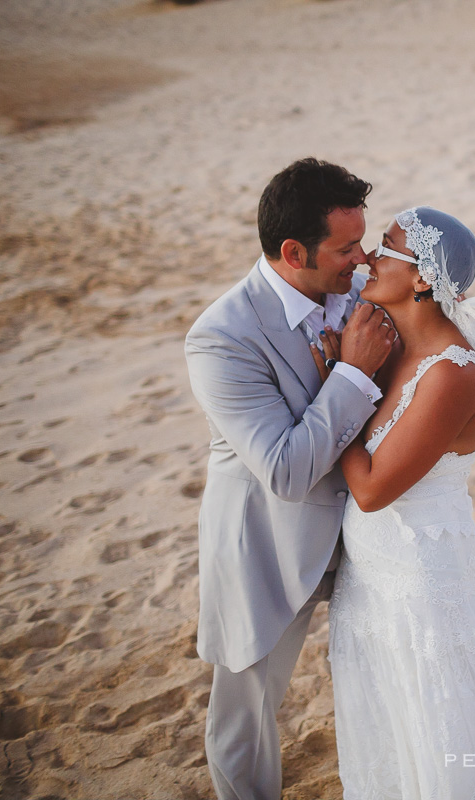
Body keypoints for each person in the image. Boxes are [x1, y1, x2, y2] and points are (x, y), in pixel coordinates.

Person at [313, 207, 475, 799]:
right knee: (392, 720)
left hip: (422, 581)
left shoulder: (451, 372)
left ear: (422, 277)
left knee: (440, 719)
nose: (368, 257)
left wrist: (340, 384)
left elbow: (371, 490)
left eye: (387, 247)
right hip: (372, 572)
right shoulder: (389, 347)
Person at [184, 158, 397, 800]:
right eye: (345, 247)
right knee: (243, 719)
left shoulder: (355, 293)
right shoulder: (222, 339)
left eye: (362, 241)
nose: (361, 260)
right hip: (268, 547)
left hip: (370, 537)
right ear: (292, 250)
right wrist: (353, 376)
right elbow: (284, 469)